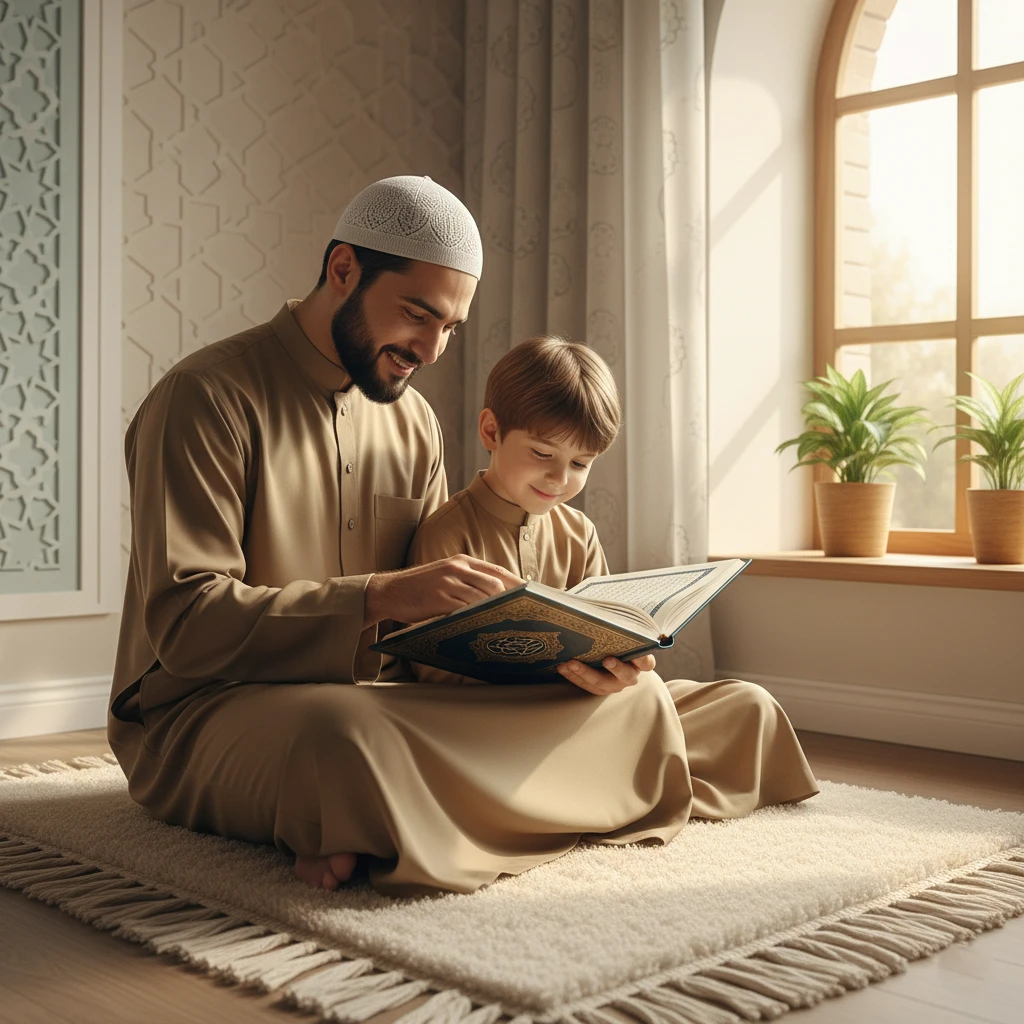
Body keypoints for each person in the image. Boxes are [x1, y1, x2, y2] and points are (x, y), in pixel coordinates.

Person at [109, 175, 817, 897]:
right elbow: (187, 624)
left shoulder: (414, 423)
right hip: (212, 709)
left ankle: (388, 818)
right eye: (418, 315)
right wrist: (379, 595)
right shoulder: (204, 399)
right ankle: (533, 793)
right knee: (343, 738)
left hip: (395, 702)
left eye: (450, 328)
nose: (432, 348)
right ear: (344, 269)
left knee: (656, 703)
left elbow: (428, 644)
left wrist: (575, 664)